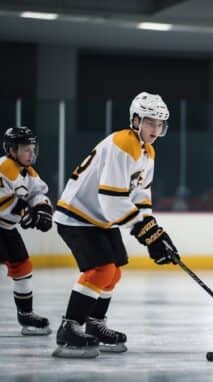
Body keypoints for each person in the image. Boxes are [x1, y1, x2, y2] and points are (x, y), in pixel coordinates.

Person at [52, 92, 179, 358]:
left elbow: (140, 196)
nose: (155, 129)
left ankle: (95, 325)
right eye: (150, 122)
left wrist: (155, 231)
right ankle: (69, 327)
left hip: (98, 218)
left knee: (114, 272)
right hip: (78, 216)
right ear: (135, 120)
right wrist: (146, 234)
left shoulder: (148, 151)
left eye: (159, 124)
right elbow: (111, 200)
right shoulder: (124, 143)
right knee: (101, 270)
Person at [0, 126, 53, 337]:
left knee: (23, 266)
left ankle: (26, 314)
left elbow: (38, 193)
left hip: (4, 224)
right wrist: (28, 215)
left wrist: (43, 209)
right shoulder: (2, 167)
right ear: (12, 150)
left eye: (33, 148)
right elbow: (3, 204)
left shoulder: (29, 172)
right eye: (25, 149)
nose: (31, 153)